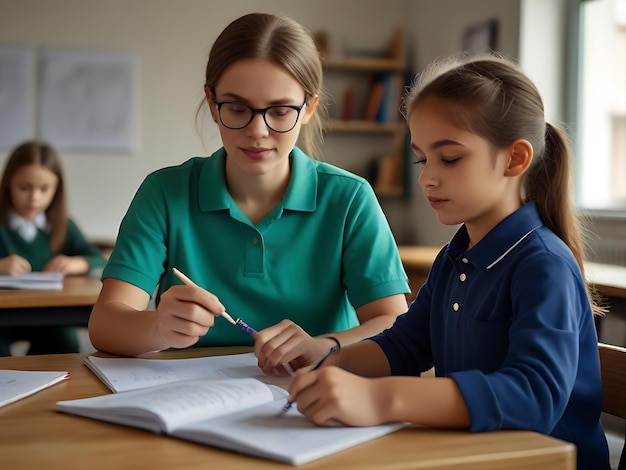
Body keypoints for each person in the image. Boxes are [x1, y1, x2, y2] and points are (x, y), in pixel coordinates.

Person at [287, 54, 610, 469]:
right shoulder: (454, 257)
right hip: (472, 455)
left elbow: (534, 396)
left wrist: (382, 398)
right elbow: (405, 346)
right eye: (423, 158)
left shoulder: (543, 264)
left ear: (514, 159)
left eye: (450, 158)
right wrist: (322, 357)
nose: (426, 178)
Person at [88, 12, 410, 370]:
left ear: (308, 108)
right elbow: (105, 325)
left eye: (280, 110)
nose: (258, 131)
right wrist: (157, 327)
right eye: (238, 108)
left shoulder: (350, 199)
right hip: (186, 400)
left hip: (311, 394)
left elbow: (393, 324)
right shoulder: (165, 192)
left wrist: (325, 345)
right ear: (212, 103)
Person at [0, 141, 106, 356]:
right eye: (24, 187)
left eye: (44, 189)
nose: (34, 198)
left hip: (49, 315)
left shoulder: (62, 225)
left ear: (56, 189)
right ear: (8, 183)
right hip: (4, 317)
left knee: (64, 343)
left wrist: (74, 263)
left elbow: (98, 258)